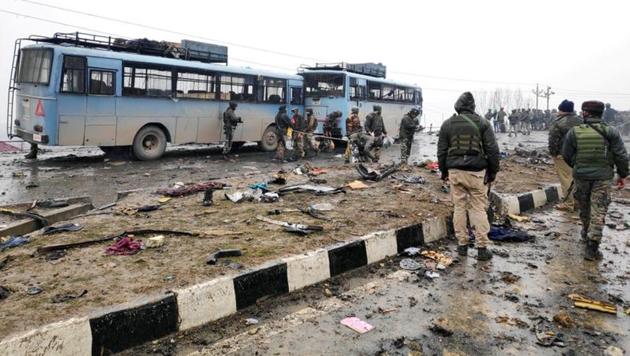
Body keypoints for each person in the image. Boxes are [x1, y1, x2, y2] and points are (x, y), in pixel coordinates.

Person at [562, 100, 628, 261]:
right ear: (602, 113)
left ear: (585, 113)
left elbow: (566, 155)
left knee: (585, 209)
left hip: (582, 176)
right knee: (599, 211)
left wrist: (578, 166)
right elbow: (621, 155)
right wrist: (622, 174)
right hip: (603, 178)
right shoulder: (611, 131)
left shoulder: (575, 132)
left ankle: (586, 233)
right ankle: (592, 247)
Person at [437, 92, 500, 261]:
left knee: (459, 207)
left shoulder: (447, 124)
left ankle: (462, 245)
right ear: (472, 107)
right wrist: (493, 172)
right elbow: (492, 150)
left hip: (455, 172)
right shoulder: (483, 123)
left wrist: (443, 172)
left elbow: (442, 151)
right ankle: (481, 248)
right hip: (476, 173)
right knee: (478, 208)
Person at [548, 100, 582, 210]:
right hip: (580, 155)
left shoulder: (559, 122)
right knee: (577, 179)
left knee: (566, 179)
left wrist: (554, 153)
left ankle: (568, 204)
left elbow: (553, 140)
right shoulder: (581, 121)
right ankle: (578, 202)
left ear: (562, 110)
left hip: (563, 156)